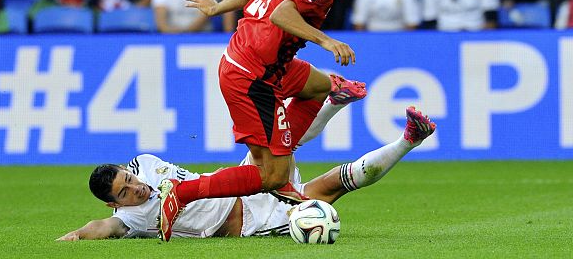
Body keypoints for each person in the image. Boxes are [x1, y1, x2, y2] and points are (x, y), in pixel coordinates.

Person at [170, 0, 376, 241]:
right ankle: (180, 193)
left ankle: (283, 147)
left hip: (261, 62)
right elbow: (281, 13)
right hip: (253, 76)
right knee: (272, 176)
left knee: (321, 86)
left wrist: (217, 8)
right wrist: (327, 41)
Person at [56, 107, 436, 241]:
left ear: (128, 169)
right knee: (332, 186)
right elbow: (102, 227)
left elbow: (143, 176)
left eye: (129, 179)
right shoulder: (131, 220)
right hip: (253, 221)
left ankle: (332, 102)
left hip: (241, 183)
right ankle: (408, 140)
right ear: (114, 203)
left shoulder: (145, 162)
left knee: (279, 141)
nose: (135, 189)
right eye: (124, 192)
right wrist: (76, 235)